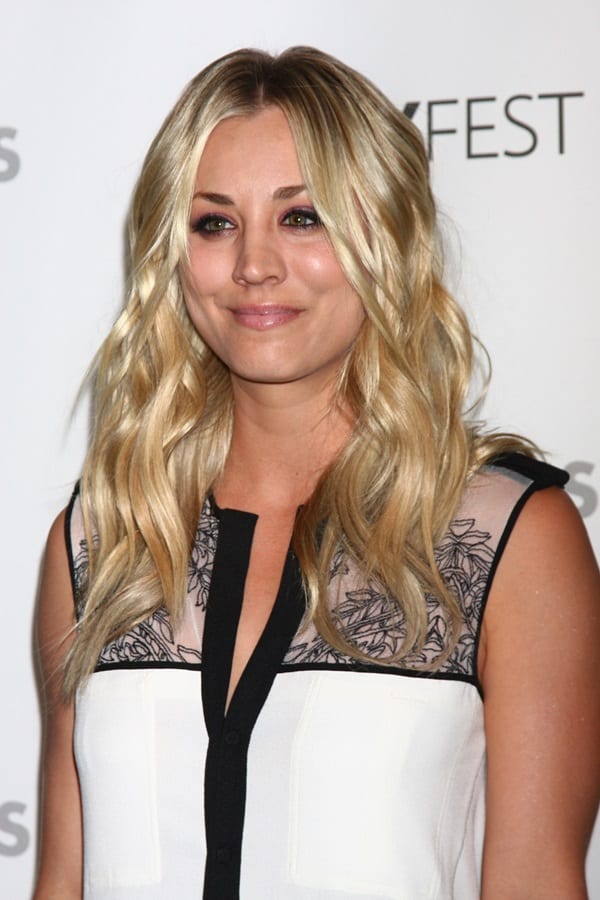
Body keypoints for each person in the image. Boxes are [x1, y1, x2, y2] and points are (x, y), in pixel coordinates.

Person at [34, 46, 600, 900]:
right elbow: (63, 880)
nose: (255, 264)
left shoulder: (509, 538)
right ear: (171, 253)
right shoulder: (104, 539)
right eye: (214, 222)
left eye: (303, 218)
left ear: (383, 231)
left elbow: (534, 881)